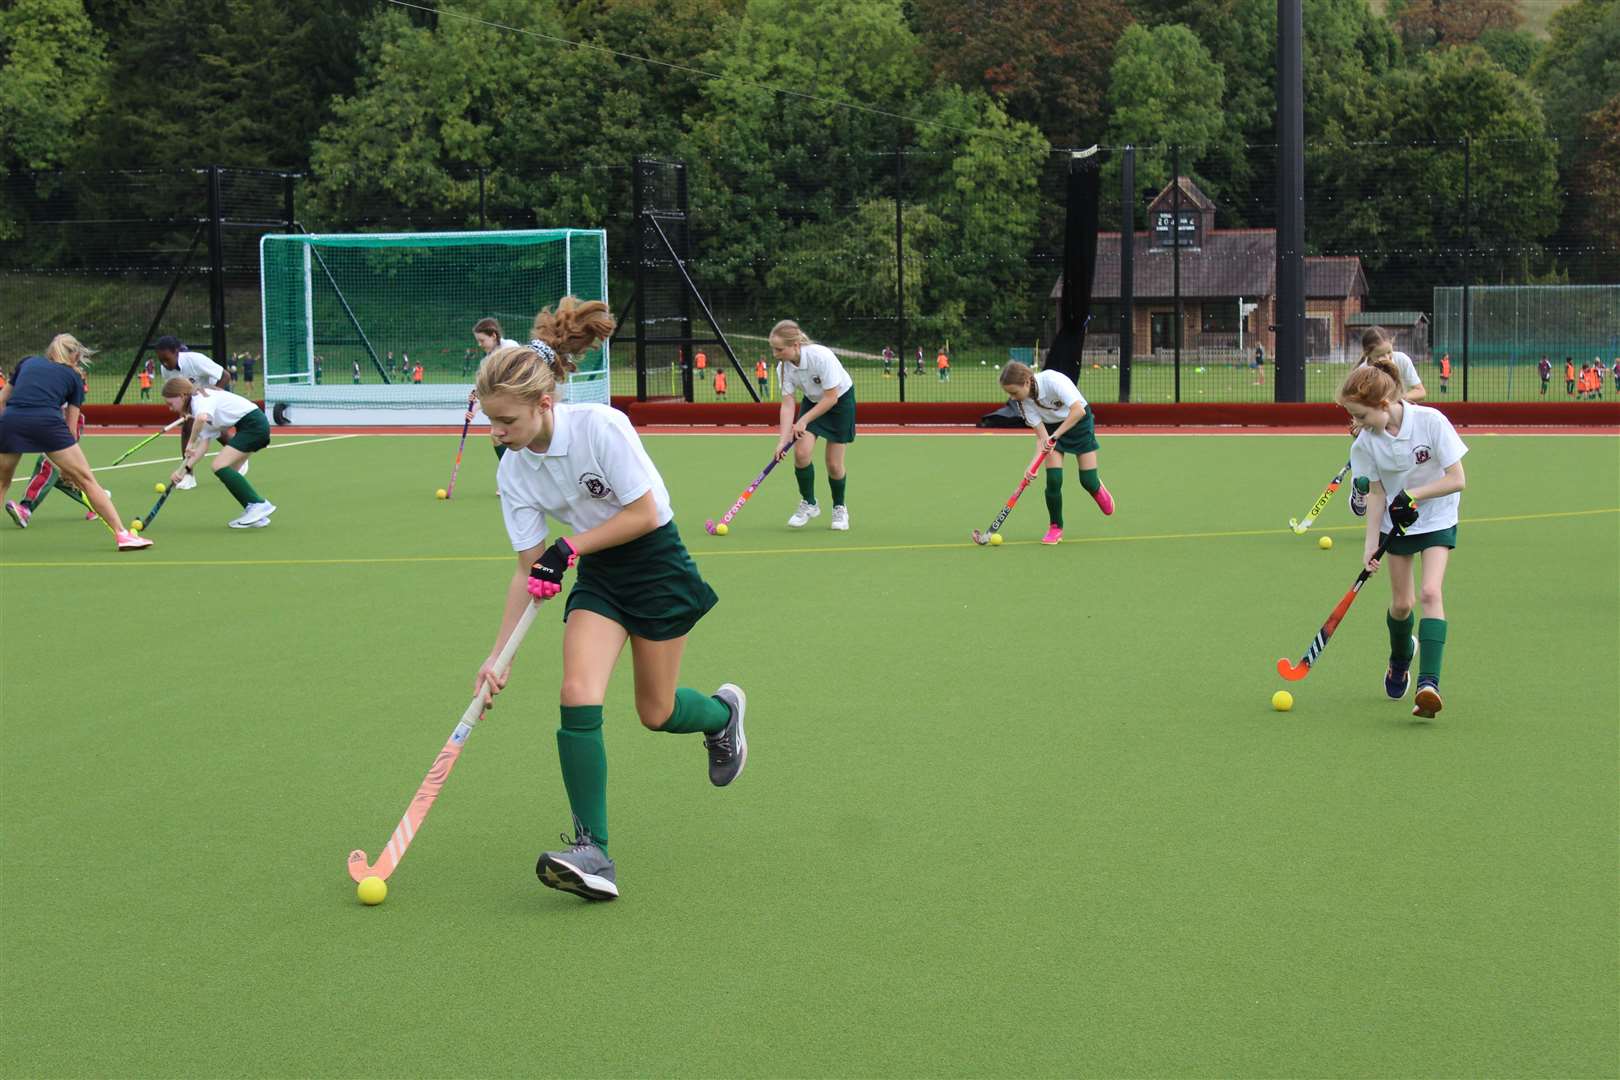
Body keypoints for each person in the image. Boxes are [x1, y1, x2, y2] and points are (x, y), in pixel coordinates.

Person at [475, 299, 744, 903]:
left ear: (544, 404)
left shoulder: (601, 426)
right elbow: (527, 570)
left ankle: (723, 716)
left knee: (658, 711)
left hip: (655, 562)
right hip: (598, 572)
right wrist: (499, 657)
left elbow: (645, 513)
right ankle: (592, 850)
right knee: (577, 692)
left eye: (506, 422)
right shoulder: (513, 471)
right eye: (490, 420)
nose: (497, 434)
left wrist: (567, 546)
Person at [1338, 355, 1467, 720]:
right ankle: (1399, 658)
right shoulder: (1365, 443)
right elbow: (1376, 494)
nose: (1357, 424)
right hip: (1396, 524)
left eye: (1361, 416)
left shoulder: (1431, 422)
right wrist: (1369, 546)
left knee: (1430, 593)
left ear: (1382, 404)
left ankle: (1429, 686)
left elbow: (1457, 478)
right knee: (1402, 605)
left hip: (1438, 515)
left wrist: (1414, 496)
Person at [0, 336, 150, 550]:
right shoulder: (74, 377)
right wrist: (68, 466)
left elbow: (1, 399)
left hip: (11, 421)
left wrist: (5, 427)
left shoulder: (27, 362)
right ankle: (122, 534)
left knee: (2, 483)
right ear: (76, 355)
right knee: (88, 481)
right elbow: (71, 426)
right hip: (48, 424)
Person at [998, 360, 1114, 544]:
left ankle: (1097, 487)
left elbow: (1078, 411)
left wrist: (1056, 435)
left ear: (1027, 382)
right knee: (1053, 480)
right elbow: (1043, 439)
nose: (1012, 398)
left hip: (1078, 423)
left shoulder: (1053, 380)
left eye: (1014, 392)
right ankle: (1055, 527)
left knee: (1087, 481)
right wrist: (1031, 466)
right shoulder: (1024, 403)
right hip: (1052, 429)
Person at [5, 334, 104, 529]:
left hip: (58, 427)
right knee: (60, 476)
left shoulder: (73, 375)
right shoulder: (43, 369)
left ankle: (26, 508)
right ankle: (96, 500)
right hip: (45, 424)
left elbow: (72, 419)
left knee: (48, 468)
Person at [771, 321, 855, 530]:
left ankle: (839, 508)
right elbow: (788, 404)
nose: (775, 354)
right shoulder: (783, 368)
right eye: (773, 348)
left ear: (796, 345)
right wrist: (782, 441)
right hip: (814, 402)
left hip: (839, 402)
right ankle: (809, 503)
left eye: (779, 349)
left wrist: (804, 420)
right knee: (801, 454)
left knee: (834, 464)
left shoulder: (821, 356)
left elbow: (831, 397)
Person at [162, 377, 276, 528]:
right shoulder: (199, 408)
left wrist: (190, 442)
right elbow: (203, 445)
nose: (170, 408)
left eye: (170, 403)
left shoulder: (199, 400)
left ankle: (258, 504)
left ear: (183, 396)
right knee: (230, 471)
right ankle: (255, 512)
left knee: (218, 465)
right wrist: (182, 471)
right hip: (250, 426)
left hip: (253, 425)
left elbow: (201, 418)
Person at [1347, 327, 1424, 518]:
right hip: (1376, 425)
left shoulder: (1401, 360)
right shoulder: (1363, 372)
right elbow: (1358, 406)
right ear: (1368, 354)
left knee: (1402, 466)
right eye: (1381, 355)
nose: (1387, 358)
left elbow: (1420, 392)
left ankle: (1398, 509)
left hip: (1400, 421)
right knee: (1374, 470)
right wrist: (1358, 422)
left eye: (1389, 352)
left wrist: (1396, 401)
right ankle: (1359, 485)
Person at [154, 334, 230, 490]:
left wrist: (215, 395)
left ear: (176, 352)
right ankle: (188, 476)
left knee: (213, 430)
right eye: (161, 360)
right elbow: (174, 392)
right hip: (191, 402)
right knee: (189, 428)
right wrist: (182, 411)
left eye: (167, 359)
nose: (164, 364)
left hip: (210, 397)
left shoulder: (195, 360)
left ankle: (238, 456)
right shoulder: (165, 369)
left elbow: (225, 375)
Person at [473, 318, 523, 462]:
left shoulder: (510, 347)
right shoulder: (486, 361)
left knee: (518, 438)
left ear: (493, 336)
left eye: (482, 340)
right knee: (496, 436)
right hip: (508, 403)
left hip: (522, 400)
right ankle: (509, 471)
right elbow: (488, 389)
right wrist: (475, 407)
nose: (479, 344)